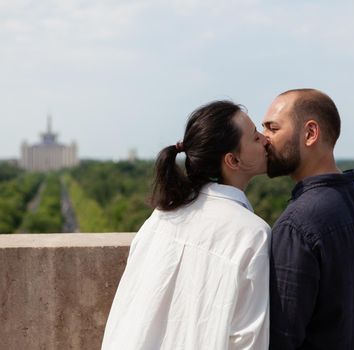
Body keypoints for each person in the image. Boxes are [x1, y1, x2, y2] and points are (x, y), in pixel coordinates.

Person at [102, 101, 271, 350]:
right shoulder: (252, 234)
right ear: (232, 160)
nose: (266, 140)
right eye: (256, 137)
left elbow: (125, 312)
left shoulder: (161, 218)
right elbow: (248, 340)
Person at [262, 89, 354, 350]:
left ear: (310, 133)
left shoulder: (296, 226)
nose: (263, 140)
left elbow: (281, 336)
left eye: (272, 129)